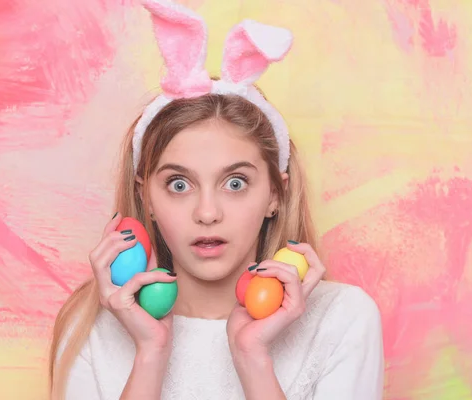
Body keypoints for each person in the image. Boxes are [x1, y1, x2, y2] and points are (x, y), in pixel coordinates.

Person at [48, 0, 384, 399]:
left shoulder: (341, 318)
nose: (207, 213)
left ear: (276, 194)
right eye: (178, 185)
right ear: (146, 198)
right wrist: (151, 354)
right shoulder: (92, 325)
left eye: (236, 183)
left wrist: (252, 357)